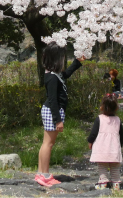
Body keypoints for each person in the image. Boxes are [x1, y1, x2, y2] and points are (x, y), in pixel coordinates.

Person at [35, 43, 86, 187]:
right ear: (57, 59)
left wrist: (77, 62)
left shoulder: (54, 74)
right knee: (48, 144)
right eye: (63, 57)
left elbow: (65, 75)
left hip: (52, 111)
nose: (64, 60)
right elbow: (52, 100)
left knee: (47, 143)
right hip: (52, 112)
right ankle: (44, 175)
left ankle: (40, 173)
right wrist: (58, 120)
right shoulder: (51, 77)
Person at [87, 93, 123, 190]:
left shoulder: (99, 119)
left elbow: (93, 133)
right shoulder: (118, 120)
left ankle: (103, 184)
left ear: (102, 107)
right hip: (114, 149)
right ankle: (116, 184)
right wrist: (120, 146)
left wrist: (90, 142)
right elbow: (121, 135)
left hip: (101, 149)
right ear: (116, 108)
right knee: (115, 167)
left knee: (102, 167)